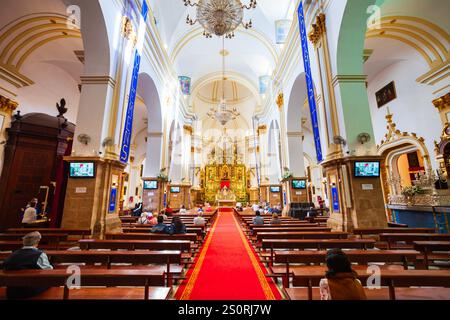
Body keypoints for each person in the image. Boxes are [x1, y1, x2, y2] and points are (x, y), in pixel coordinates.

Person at [3, 232, 53, 299]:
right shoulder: (39, 254)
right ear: (37, 242)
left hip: (12, 290)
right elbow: (48, 270)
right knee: (51, 281)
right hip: (30, 290)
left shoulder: (13, 254)